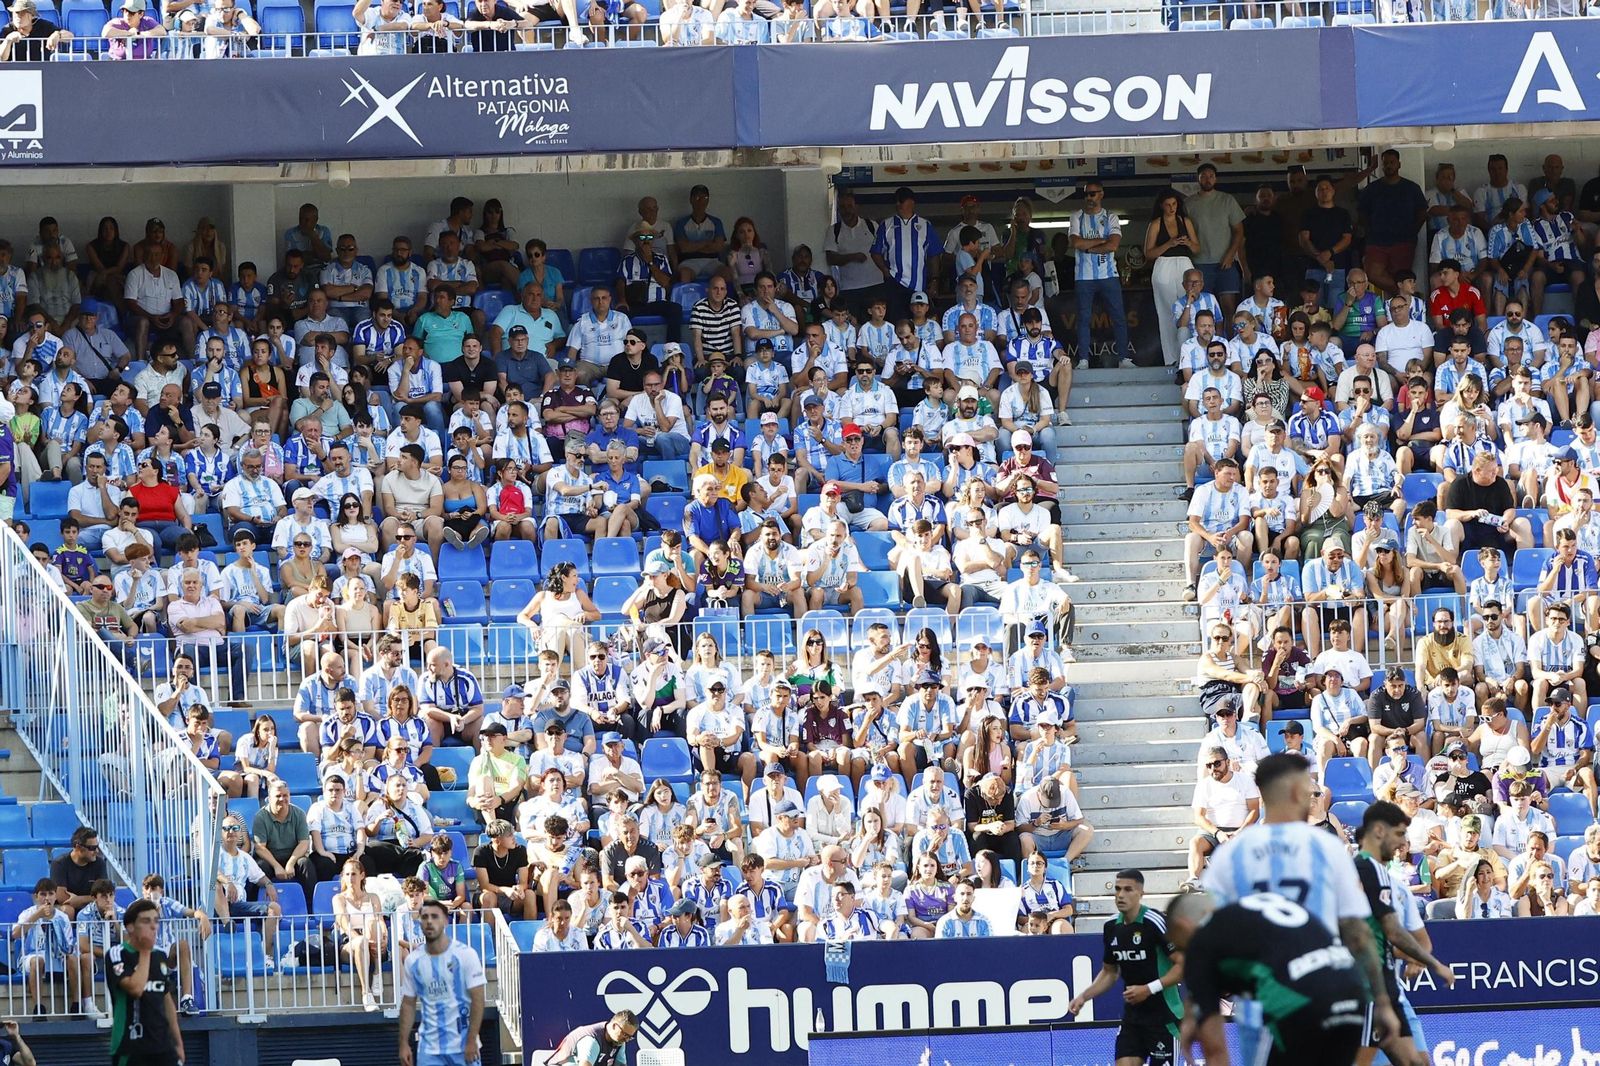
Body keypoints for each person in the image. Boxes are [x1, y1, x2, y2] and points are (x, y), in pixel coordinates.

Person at [1170, 890, 1368, 1066]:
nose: (1182, 954)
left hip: (1302, 1003)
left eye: (1179, 946)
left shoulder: (1200, 941)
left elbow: (1216, 1051)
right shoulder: (1263, 904)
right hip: (1353, 991)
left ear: (1182, 926)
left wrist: (1196, 1020)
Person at [1351, 802, 1455, 1066]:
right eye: (1398, 834)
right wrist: (1434, 964)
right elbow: (1388, 932)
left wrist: (1418, 957)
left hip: (1390, 989)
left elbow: (1414, 940)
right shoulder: (1359, 873)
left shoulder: (1391, 883)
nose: (1402, 843)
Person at [1066, 869, 1184, 1064]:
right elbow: (1109, 972)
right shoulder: (1111, 926)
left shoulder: (1154, 922)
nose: (1121, 895)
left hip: (1164, 1017)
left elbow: (1184, 965)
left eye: (1128, 889)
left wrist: (1148, 989)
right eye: (1117, 889)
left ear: (1141, 894)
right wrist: (1083, 996)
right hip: (1133, 1019)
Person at [397, 899, 485, 1066]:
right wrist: (403, 1043)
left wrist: (472, 1039)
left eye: (435, 916)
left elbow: (478, 999)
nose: (429, 921)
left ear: (445, 921)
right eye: (425, 917)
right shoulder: (413, 961)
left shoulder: (466, 955)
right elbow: (408, 1004)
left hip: (464, 1046)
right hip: (429, 1050)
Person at [106, 899, 183, 1066]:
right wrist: (146, 951)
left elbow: (166, 999)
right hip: (130, 1047)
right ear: (131, 927)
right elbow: (135, 989)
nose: (154, 926)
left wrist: (178, 1043)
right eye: (146, 921)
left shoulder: (160, 956)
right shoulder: (117, 954)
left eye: (156, 921)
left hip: (163, 1046)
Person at [550, 1010, 639, 1066]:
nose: (626, 1040)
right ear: (614, 1026)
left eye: (630, 1037)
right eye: (625, 1035)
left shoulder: (619, 1040)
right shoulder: (591, 1040)